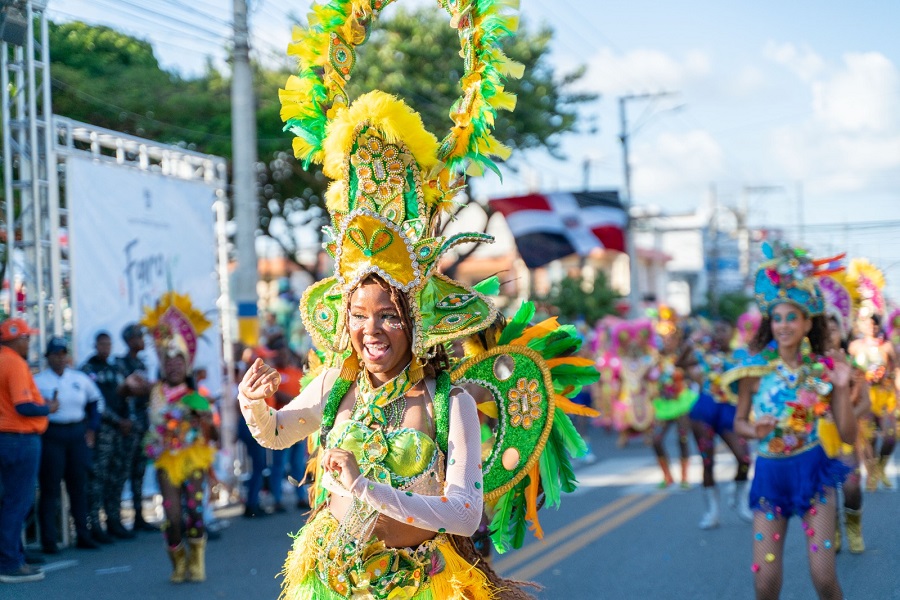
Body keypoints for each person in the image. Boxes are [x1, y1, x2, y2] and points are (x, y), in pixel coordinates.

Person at [727, 242, 856, 600]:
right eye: (777, 318)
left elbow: (847, 435)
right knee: (765, 583)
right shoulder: (753, 371)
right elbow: (739, 422)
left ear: (807, 322)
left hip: (813, 472)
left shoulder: (822, 372)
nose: (783, 325)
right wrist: (755, 430)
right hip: (770, 476)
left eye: (791, 318)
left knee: (823, 577)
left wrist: (841, 388)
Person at [140, 291, 218, 583]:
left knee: (195, 511)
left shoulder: (197, 397)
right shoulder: (154, 393)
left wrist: (204, 419)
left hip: (192, 458)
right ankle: (178, 561)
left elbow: (212, 432)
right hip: (166, 459)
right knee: (172, 515)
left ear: (187, 366)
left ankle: (197, 561)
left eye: (179, 362)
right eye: (169, 362)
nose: (173, 366)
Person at [34, 336, 105, 553]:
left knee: (78, 486)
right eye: (55, 354)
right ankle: (49, 540)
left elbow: (96, 402)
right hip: (52, 434)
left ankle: (83, 534)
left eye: (63, 354)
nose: (59, 358)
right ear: (48, 357)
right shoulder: (39, 381)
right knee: (50, 488)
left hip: (76, 433)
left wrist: (92, 428)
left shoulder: (79, 378)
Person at [0, 318, 54, 583]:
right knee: (17, 502)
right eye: (26, 337)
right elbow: (24, 406)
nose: (29, 342)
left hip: (5, 437)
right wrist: (48, 407)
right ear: (16, 339)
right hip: (19, 438)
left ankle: (14, 554)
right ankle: (10, 562)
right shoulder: (14, 363)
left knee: (8, 501)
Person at [688, 317, 753, 529]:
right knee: (708, 462)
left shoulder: (742, 355)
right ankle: (712, 511)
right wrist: (691, 342)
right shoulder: (705, 353)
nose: (719, 334)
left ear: (733, 332)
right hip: (705, 410)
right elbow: (681, 363)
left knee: (744, 458)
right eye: (716, 330)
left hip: (730, 411)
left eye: (723, 330)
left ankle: (740, 499)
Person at [845, 258, 897, 492]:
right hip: (864, 395)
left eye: (874, 323)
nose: (871, 327)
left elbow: (896, 369)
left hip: (885, 396)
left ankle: (882, 465)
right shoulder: (854, 347)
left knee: (890, 435)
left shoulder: (888, 346)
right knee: (869, 436)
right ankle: (872, 472)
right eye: (867, 322)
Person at [81, 331, 135, 543]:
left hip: (121, 432)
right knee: (97, 478)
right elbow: (96, 403)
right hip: (102, 431)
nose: (106, 348)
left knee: (117, 476)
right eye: (102, 344)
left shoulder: (116, 369)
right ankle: (94, 524)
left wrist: (128, 419)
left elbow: (128, 395)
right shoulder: (88, 370)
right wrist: (118, 420)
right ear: (95, 345)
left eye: (109, 344)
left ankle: (114, 520)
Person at [650, 307, 697, 489]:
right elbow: (648, 376)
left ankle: (684, 477)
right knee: (656, 439)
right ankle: (667, 476)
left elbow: (692, 372)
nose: (666, 342)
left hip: (681, 402)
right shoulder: (657, 357)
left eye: (670, 338)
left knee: (682, 438)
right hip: (664, 404)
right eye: (663, 338)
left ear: (677, 340)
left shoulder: (684, 356)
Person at [117, 323, 155, 532]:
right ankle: (115, 520)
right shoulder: (121, 363)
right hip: (128, 425)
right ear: (130, 340)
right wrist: (145, 389)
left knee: (139, 471)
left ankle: (139, 516)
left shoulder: (141, 363)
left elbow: (148, 390)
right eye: (138, 337)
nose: (142, 341)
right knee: (123, 471)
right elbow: (130, 390)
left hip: (143, 424)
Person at [265, 335, 308, 511]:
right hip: (280, 426)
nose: (283, 357)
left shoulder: (297, 373)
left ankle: (301, 496)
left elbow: (305, 396)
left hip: (298, 425)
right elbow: (274, 395)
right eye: (279, 354)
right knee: (279, 464)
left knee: (298, 464)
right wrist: (292, 400)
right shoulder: (272, 375)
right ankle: (277, 499)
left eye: (285, 354)